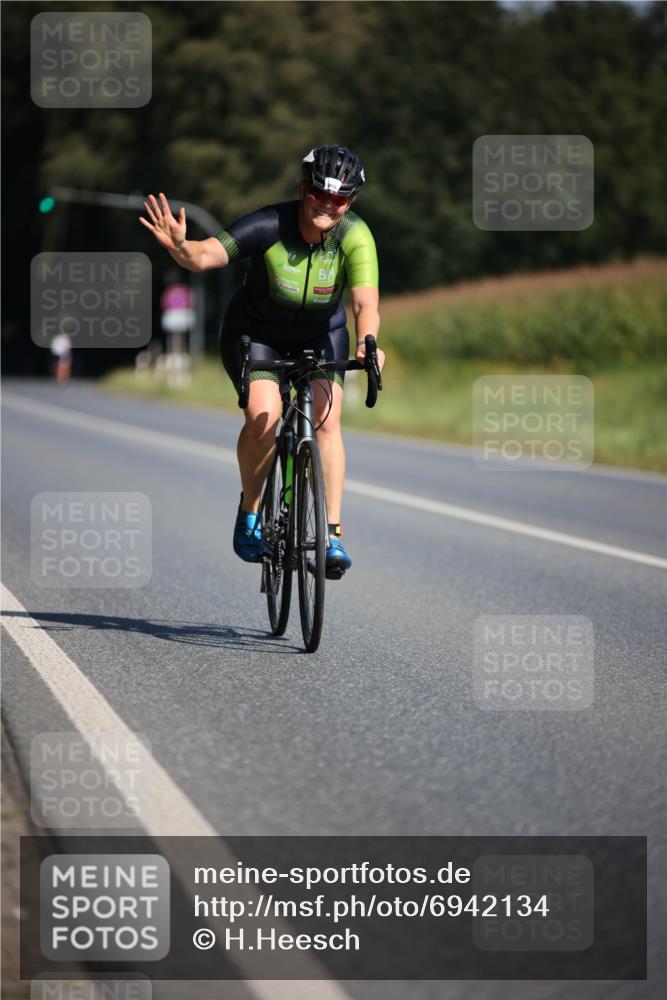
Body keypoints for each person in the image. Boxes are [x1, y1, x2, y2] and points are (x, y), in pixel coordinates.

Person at [139, 144, 384, 578]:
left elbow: (366, 302)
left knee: (328, 420)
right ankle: (250, 513)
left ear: (350, 202)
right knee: (263, 417)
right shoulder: (269, 224)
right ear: (302, 189)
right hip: (258, 334)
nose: (328, 205)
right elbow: (205, 255)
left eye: (340, 198)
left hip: (322, 334)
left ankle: (333, 534)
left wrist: (367, 342)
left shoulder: (355, 235)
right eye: (319, 194)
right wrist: (181, 246)